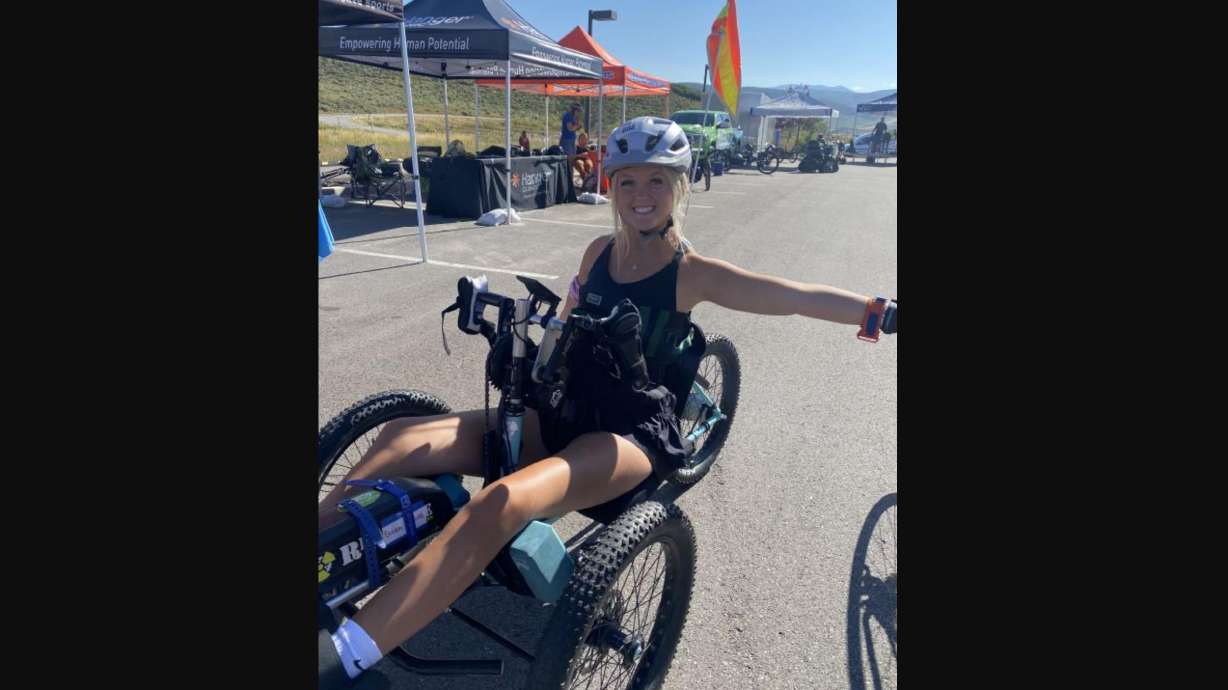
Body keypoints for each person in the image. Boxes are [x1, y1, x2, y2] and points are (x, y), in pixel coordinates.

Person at [318, 116, 897, 687]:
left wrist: (877, 312)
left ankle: (343, 656)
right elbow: (566, 320)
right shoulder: (597, 253)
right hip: (567, 406)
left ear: (680, 187)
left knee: (500, 502)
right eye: (628, 182)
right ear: (611, 185)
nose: (641, 195)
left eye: (657, 181)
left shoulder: (689, 273)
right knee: (402, 437)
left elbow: (790, 297)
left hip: (628, 432)